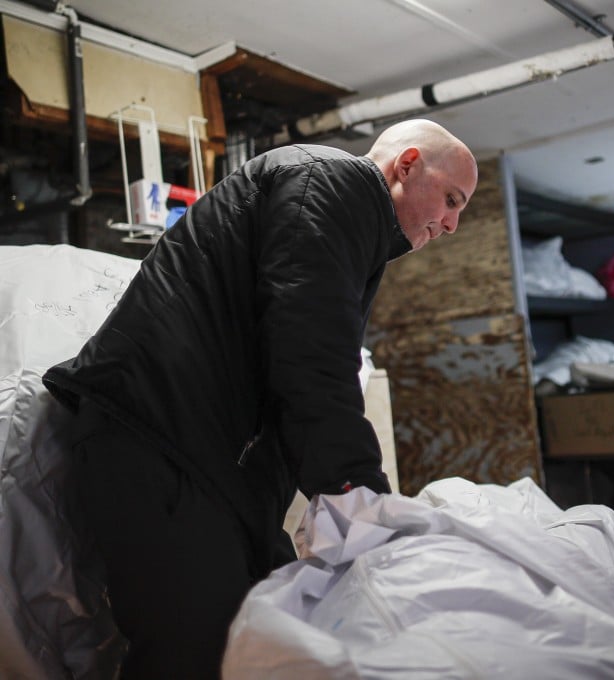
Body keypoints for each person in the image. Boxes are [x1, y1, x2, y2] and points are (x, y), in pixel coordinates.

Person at [43, 119, 478, 679]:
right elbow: (310, 346)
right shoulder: (331, 184)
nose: (451, 224)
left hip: (205, 463)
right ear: (408, 164)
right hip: (158, 441)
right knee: (198, 653)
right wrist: (354, 489)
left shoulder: (348, 216)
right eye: (451, 199)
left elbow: (286, 360)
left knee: (269, 639)